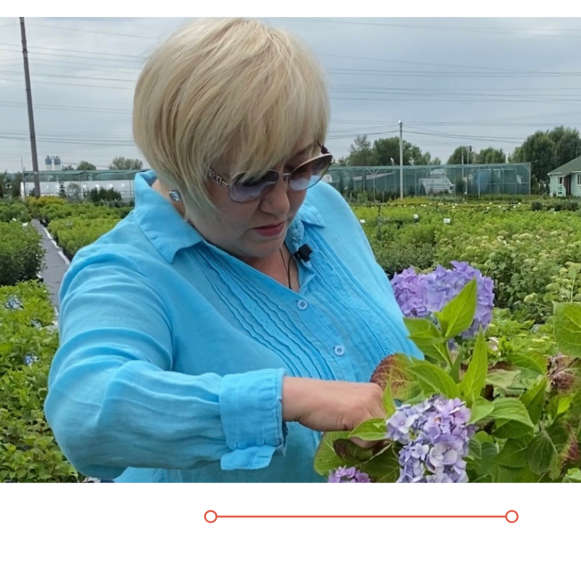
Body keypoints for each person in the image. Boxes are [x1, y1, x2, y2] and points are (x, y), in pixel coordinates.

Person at [45, 18, 421, 483]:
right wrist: (286, 399)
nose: (281, 203)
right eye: (250, 180)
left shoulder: (325, 208)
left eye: (301, 166)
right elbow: (85, 410)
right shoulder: (125, 272)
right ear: (178, 167)